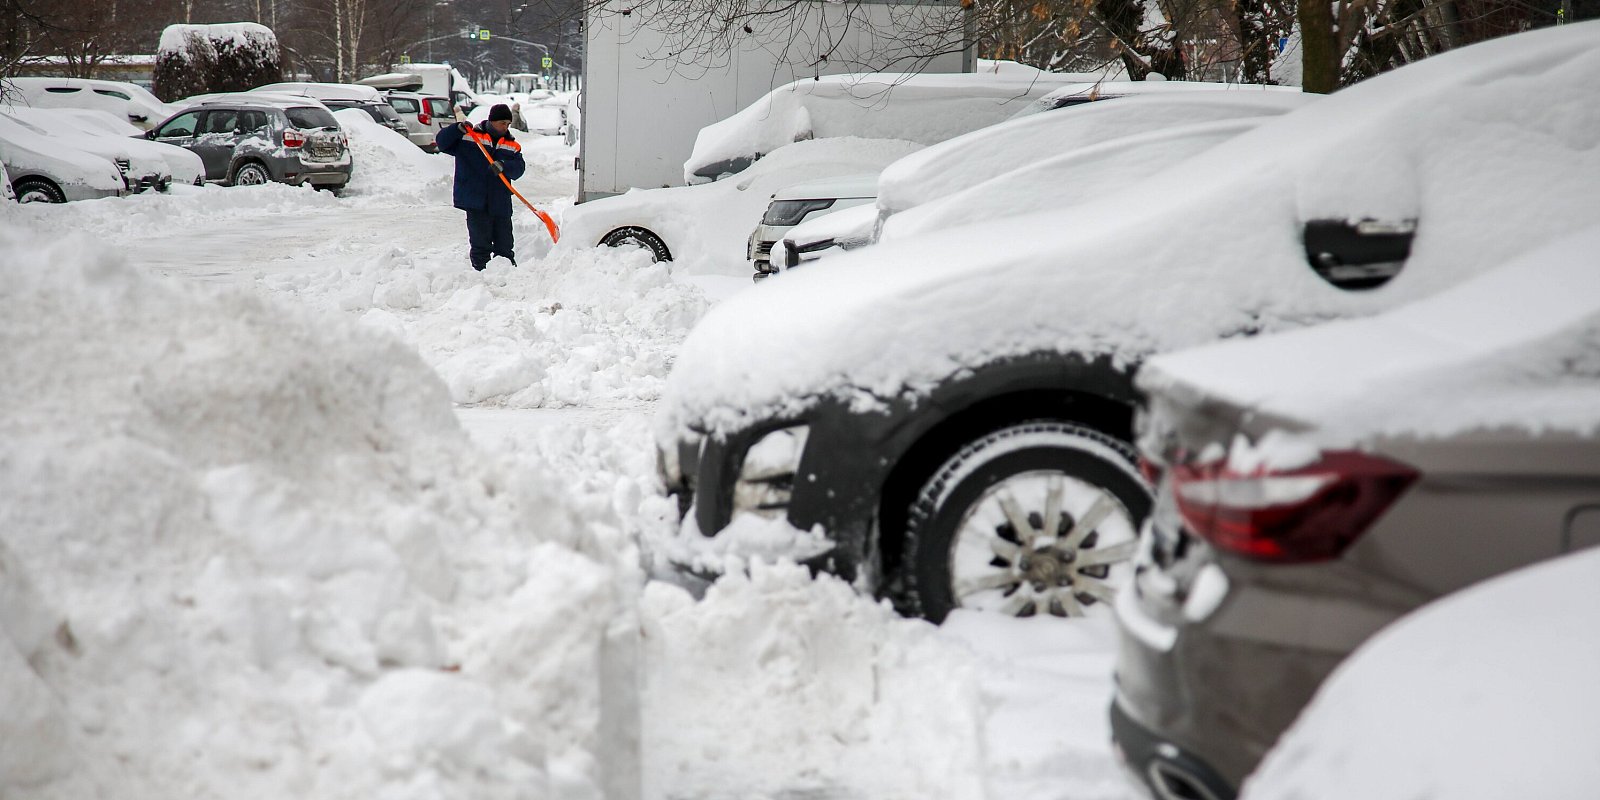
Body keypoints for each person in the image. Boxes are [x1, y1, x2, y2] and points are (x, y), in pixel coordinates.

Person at [436, 103, 527, 271]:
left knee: (505, 244)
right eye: (502, 123)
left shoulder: (511, 144)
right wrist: (456, 129)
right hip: (475, 199)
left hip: (500, 201)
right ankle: (481, 275)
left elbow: (519, 168)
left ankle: (507, 274)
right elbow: (442, 143)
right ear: (492, 121)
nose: (505, 127)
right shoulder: (470, 137)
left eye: (508, 124)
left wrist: (504, 165)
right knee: (480, 243)